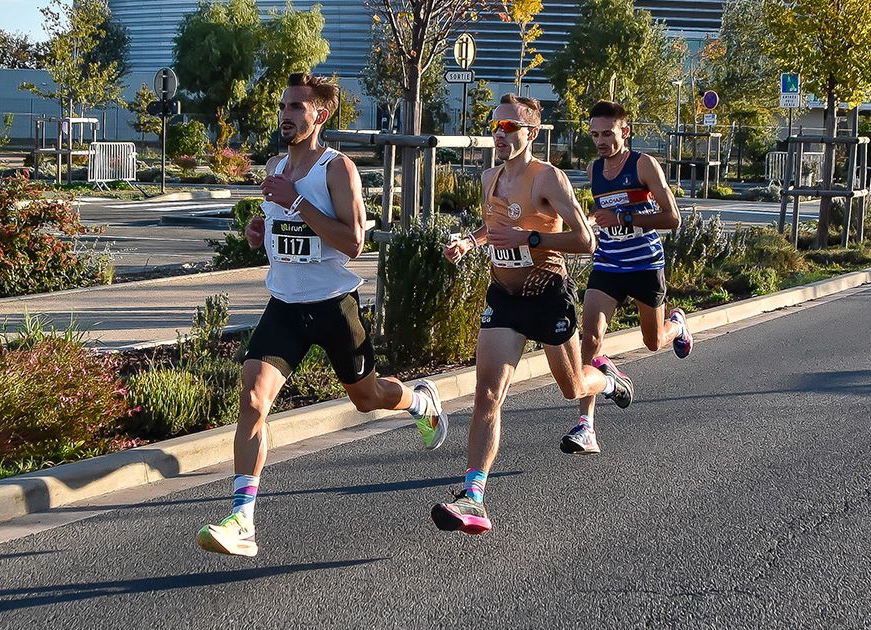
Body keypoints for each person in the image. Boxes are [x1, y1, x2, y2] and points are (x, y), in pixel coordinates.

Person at [197, 73, 448, 557]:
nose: (286, 114)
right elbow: (285, 230)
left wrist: (294, 202)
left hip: (334, 305)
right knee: (252, 400)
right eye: (284, 106)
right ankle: (243, 519)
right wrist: (261, 229)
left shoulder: (338, 169)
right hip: (285, 307)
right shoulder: (274, 164)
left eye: (297, 107)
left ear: (320, 115)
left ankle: (419, 403)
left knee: (367, 398)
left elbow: (353, 242)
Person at [433, 94, 634, 535]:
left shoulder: (549, 179)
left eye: (509, 128)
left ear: (532, 133)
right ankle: (474, 497)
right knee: (487, 393)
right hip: (504, 299)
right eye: (495, 126)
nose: (499, 135)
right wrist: (472, 241)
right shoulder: (489, 177)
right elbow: (494, 225)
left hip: (547, 295)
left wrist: (531, 238)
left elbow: (586, 241)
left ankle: (611, 379)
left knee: (573, 387)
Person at [561, 101, 691, 456]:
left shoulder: (643, 164)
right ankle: (587, 428)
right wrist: (591, 220)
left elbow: (673, 218)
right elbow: (603, 210)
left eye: (607, 133)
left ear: (625, 131)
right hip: (608, 264)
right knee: (590, 339)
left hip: (646, 264)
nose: (601, 141)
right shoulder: (595, 169)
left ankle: (677, 325)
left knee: (653, 341)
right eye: (595, 135)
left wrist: (625, 218)